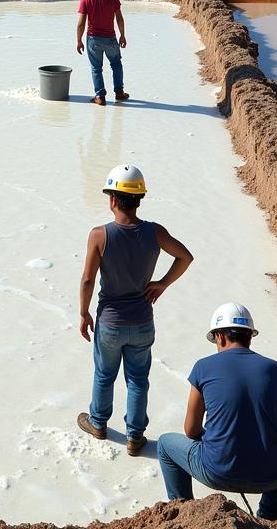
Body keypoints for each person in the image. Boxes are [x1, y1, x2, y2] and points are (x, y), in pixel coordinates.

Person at [78, 165, 193, 455]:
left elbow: (89, 279)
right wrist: (162, 283)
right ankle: (134, 436)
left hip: (110, 322)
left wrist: (83, 312)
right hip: (142, 321)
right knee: (138, 380)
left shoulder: (99, 235)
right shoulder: (155, 232)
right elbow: (185, 257)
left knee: (104, 375)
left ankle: (99, 423)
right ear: (139, 198)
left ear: (113, 200)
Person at [156, 303, 277, 523]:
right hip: (271, 476)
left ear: (219, 337)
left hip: (216, 472)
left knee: (165, 444)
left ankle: (184, 511)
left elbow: (190, 430)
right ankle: (270, 516)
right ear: (250, 337)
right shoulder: (275, 369)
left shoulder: (203, 367)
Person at [76, 0, 128, 105]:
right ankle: (119, 93)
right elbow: (119, 18)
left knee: (96, 68)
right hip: (110, 38)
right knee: (116, 65)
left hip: (93, 39)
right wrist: (122, 35)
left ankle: (100, 97)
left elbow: (81, 23)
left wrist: (79, 40)